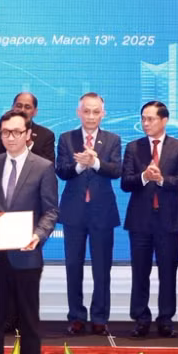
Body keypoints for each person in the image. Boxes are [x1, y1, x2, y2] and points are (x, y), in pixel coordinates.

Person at [0, 109, 58, 354]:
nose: (10, 137)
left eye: (16, 132)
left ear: (28, 135)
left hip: (26, 254)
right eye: (5, 132)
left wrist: (38, 235)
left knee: (29, 322)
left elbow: (50, 211)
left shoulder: (43, 167)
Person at [121, 101, 178, 338]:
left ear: (164, 120)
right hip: (140, 221)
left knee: (167, 272)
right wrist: (143, 176)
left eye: (150, 119)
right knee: (140, 272)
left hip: (169, 221)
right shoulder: (133, 147)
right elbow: (125, 183)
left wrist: (161, 179)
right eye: (143, 119)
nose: (146, 123)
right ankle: (141, 318)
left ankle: (165, 319)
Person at [56, 93, 121, 336]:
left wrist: (94, 163)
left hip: (102, 213)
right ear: (78, 112)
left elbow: (116, 170)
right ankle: (76, 317)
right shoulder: (67, 138)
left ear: (103, 114)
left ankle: (100, 318)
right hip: (74, 213)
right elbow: (61, 170)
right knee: (73, 266)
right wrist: (80, 165)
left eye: (96, 112)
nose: (91, 116)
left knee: (102, 268)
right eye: (87, 111)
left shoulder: (112, 139)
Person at [0, 92, 55, 163]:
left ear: (35, 112)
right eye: (18, 106)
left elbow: (49, 167)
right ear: (12, 107)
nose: (22, 110)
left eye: (27, 107)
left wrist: (29, 146)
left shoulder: (46, 135)